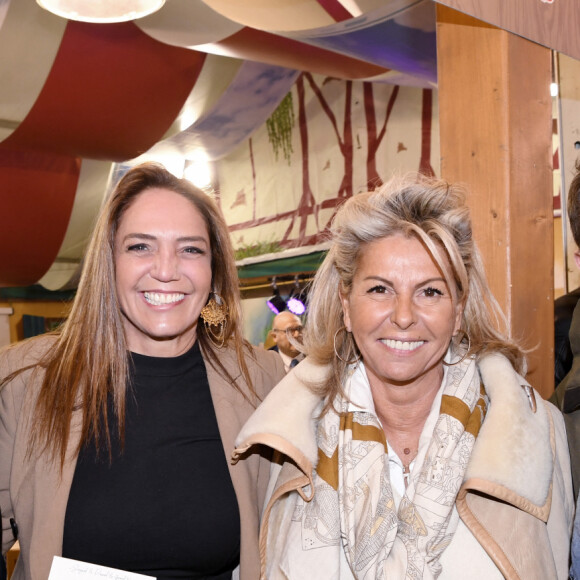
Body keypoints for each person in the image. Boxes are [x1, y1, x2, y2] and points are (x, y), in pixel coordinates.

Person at [234, 174, 574, 579]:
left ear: (459, 309)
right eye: (380, 289)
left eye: (430, 291)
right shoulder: (285, 443)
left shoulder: (537, 434)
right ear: (346, 304)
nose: (403, 316)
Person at [0, 162, 285, 580]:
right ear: (108, 263)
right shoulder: (28, 379)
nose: (166, 270)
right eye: (140, 247)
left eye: (190, 249)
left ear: (214, 270)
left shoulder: (261, 379)